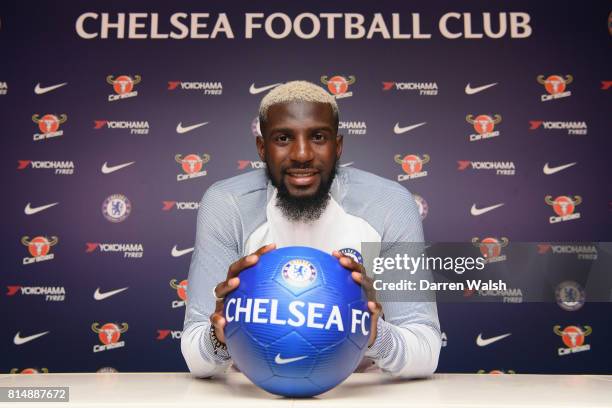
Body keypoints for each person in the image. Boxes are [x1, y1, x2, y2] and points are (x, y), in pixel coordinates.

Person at [181, 80, 441, 379]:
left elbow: (426, 348)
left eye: (318, 137)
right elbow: (195, 357)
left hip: (358, 393)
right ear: (262, 148)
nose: (302, 154)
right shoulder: (228, 204)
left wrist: (372, 336)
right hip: (256, 392)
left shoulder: (388, 204)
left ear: (338, 146)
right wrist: (218, 337)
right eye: (282, 138)